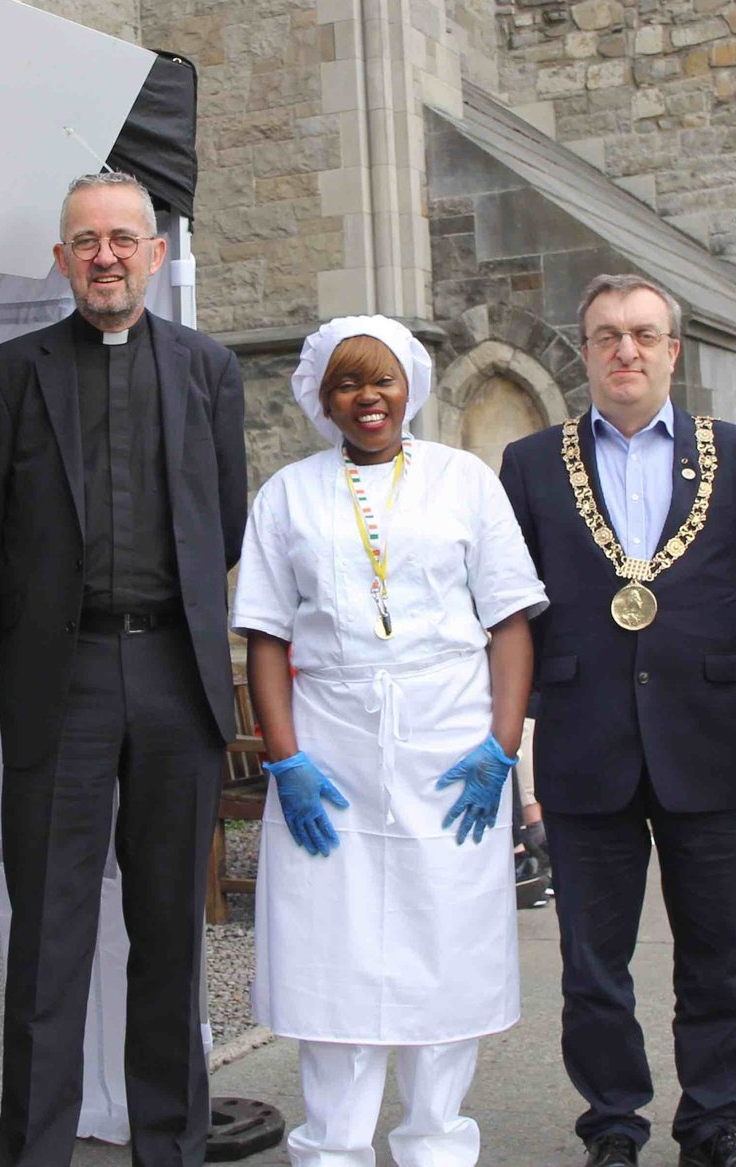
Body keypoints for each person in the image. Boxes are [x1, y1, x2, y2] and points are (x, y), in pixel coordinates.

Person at [0, 171, 247, 1167]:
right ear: (62, 258)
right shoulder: (6, 376)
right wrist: (35, 640)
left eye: (125, 238)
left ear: (156, 255)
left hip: (174, 674)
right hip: (61, 680)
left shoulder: (209, 371)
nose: (106, 256)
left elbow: (226, 522)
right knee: (50, 937)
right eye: (87, 240)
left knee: (170, 933)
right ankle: (34, 1155)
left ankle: (171, 1147)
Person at [232, 316, 545, 1166]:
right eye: (346, 383)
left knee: (444, 948)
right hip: (328, 745)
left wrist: (501, 746)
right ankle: (331, 1147)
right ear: (321, 397)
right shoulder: (288, 494)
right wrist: (284, 758)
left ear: (409, 386)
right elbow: (265, 634)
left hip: (450, 746)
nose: (367, 398)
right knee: (331, 957)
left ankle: (437, 1143)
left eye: (382, 381)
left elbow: (510, 621)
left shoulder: (464, 482)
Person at [497, 273, 736, 1167]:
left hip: (705, 736)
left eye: (643, 334)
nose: (626, 349)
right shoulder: (532, 464)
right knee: (593, 965)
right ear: (584, 351)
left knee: (715, 953)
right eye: (606, 335)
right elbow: (517, 599)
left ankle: (712, 1125)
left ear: (672, 348)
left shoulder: (734, 454)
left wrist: (693, 662)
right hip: (588, 740)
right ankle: (613, 1126)